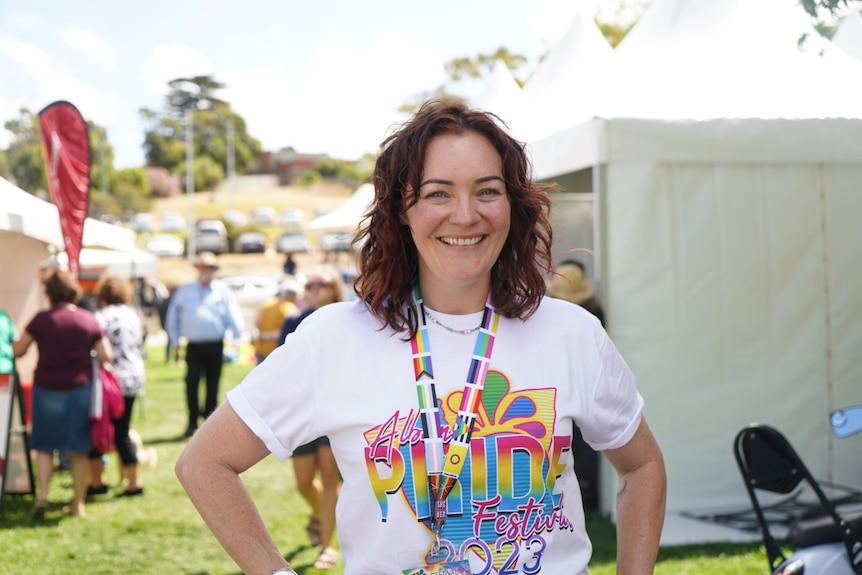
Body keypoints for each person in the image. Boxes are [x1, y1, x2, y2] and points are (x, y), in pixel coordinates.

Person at [176, 98, 666, 575]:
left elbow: (642, 466)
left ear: (512, 205)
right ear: (402, 210)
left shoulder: (571, 333)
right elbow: (205, 462)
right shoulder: (334, 340)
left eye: (487, 191)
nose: (465, 214)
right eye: (438, 193)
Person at [13, 270, 113, 518]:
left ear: (49, 293)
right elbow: (106, 355)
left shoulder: (41, 319)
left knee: (45, 446)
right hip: (79, 389)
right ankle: (78, 503)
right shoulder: (87, 319)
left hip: (46, 388)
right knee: (78, 449)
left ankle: (44, 495)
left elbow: (19, 350)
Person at [278, 266, 344, 570]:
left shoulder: (348, 320)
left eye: (323, 284)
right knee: (304, 482)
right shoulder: (293, 321)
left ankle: (327, 547)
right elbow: (280, 366)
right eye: (311, 284)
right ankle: (322, 515)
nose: (316, 289)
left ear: (334, 289)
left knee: (330, 481)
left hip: (336, 413)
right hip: (302, 413)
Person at [546, 258, 606, 509]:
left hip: (564, 379)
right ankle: (585, 487)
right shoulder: (595, 313)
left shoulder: (549, 313)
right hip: (583, 380)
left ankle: (581, 488)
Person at [165, 251, 244, 438]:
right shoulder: (186, 290)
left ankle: (210, 423)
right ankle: (192, 421)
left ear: (213, 270)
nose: (205, 271)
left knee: (213, 385)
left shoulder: (222, 291)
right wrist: (174, 339)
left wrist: (237, 337)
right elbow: (173, 317)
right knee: (191, 382)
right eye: (202, 267)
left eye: (209, 268)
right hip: (194, 345)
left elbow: (232, 315)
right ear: (197, 269)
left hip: (215, 344)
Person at [92, 276, 148, 497]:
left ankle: (98, 482)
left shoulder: (101, 316)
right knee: (122, 431)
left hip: (110, 381)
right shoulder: (133, 314)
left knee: (100, 431)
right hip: (134, 377)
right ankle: (134, 482)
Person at [253, 278, 300, 363]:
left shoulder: (266, 304)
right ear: (292, 296)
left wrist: (263, 335)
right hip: (277, 351)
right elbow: (290, 331)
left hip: (261, 349)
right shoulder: (289, 308)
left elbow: (256, 323)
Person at [547, 259, 605, 326]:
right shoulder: (548, 305)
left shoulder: (593, 307)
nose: (568, 281)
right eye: (563, 276)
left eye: (573, 275)